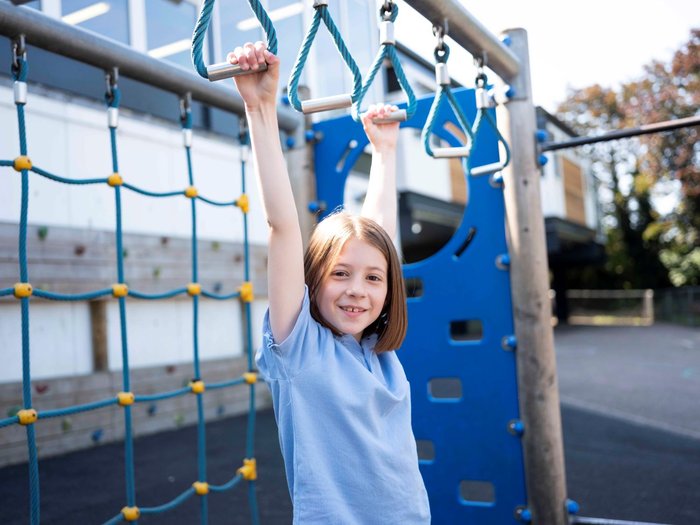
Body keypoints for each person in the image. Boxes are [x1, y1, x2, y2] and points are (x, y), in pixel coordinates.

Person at [228, 41, 430, 525]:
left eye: (372, 279)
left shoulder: (378, 348)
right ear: (312, 280)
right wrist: (259, 107)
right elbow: (282, 225)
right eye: (339, 274)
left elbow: (376, 238)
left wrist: (384, 151)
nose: (357, 289)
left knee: (372, 246)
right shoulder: (301, 347)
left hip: (411, 518)